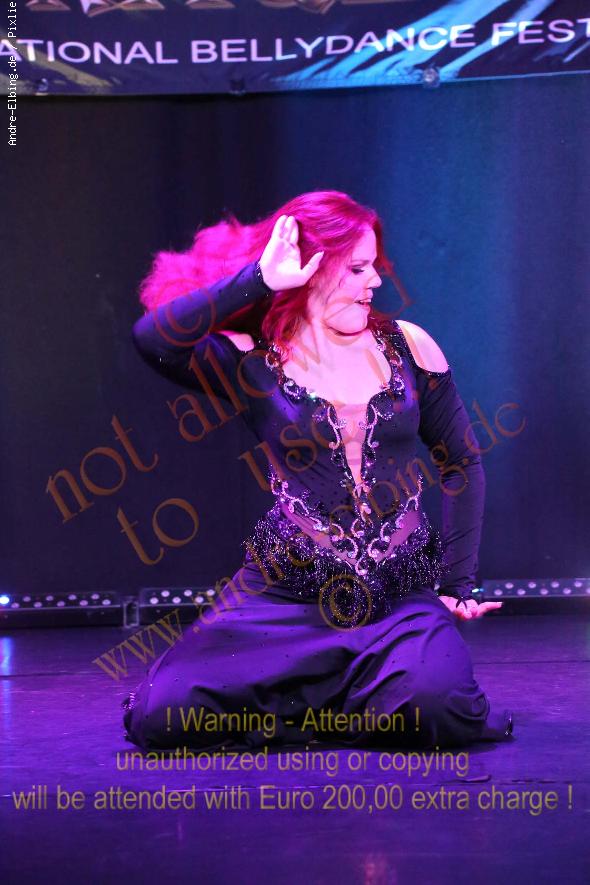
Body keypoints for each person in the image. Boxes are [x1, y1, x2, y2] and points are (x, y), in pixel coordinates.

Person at [122, 191, 513, 752]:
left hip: (395, 598)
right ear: (311, 268)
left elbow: (461, 463)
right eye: (357, 269)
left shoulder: (409, 346)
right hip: (283, 597)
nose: (374, 281)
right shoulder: (252, 359)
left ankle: (338, 700)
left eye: (373, 268)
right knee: (164, 714)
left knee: (441, 708)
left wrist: (455, 585)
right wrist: (258, 280)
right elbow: (153, 339)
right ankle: (350, 707)